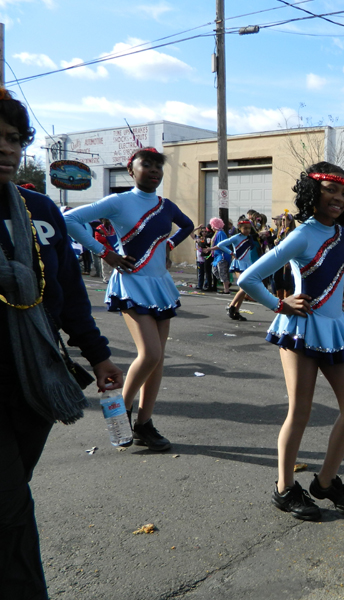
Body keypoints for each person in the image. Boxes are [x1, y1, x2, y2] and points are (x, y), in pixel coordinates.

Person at [0, 88, 124, 598]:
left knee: (10, 499)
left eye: (12, 139)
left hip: (35, 385)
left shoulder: (39, 209)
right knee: (11, 510)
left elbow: (70, 295)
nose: (6, 148)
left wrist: (98, 355)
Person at [238, 162, 344, 521]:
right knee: (301, 411)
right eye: (330, 190)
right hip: (301, 328)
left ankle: (325, 483)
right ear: (312, 193)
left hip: (335, 329)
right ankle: (283, 488)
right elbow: (248, 278)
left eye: (343, 192)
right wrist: (281, 303)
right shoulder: (302, 234)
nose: (338, 198)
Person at [65, 147, 194, 451]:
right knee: (149, 354)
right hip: (132, 282)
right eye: (146, 165)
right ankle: (120, 413)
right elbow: (69, 219)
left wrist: (168, 247)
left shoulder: (166, 205)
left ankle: (144, 424)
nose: (153, 170)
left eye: (157, 167)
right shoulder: (119, 201)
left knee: (158, 359)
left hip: (160, 284)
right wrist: (105, 253)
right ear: (131, 170)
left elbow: (187, 225)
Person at [209, 216, 258, 321]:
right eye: (245, 228)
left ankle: (236, 311)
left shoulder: (250, 238)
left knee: (244, 289)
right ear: (240, 228)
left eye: (249, 228)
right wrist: (231, 253)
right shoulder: (236, 237)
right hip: (238, 264)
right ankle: (231, 307)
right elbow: (221, 244)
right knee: (244, 287)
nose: (247, 230)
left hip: (248, 265)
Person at [273, 212, 297, 300]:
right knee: (277, 277)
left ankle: (287, 298)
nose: (282, 222)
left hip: (287, 259)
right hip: (279, 258)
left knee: (287, 280)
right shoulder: (280, 231)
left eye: (284, 220)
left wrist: (289, 260)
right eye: (282, 220)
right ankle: (279, 298)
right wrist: (276, 241)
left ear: (290, 221)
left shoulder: (291, 232)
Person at [209, 217, 230, 294]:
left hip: (222, 255)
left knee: (222, 272)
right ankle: (226, 283)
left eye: (212, 225)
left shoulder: (221, 233)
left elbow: (222, 245)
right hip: (216, 256)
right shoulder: (216, 233)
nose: (211, 226)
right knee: (214, 271)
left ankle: (226, 289)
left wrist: (210, 249)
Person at [94, 218, 118, 284]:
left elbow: (115, 236)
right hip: (104, 249)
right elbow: (99, 239)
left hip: (113, 248)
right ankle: (106, 278)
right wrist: (108, 238)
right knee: (105, 265)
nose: (108, 222)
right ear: (103, 221)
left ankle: (113, 278)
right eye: (106, 220)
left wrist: (109, 237)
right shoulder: (99, 228)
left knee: (113, 265)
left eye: (109, 220)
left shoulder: (112, 227)